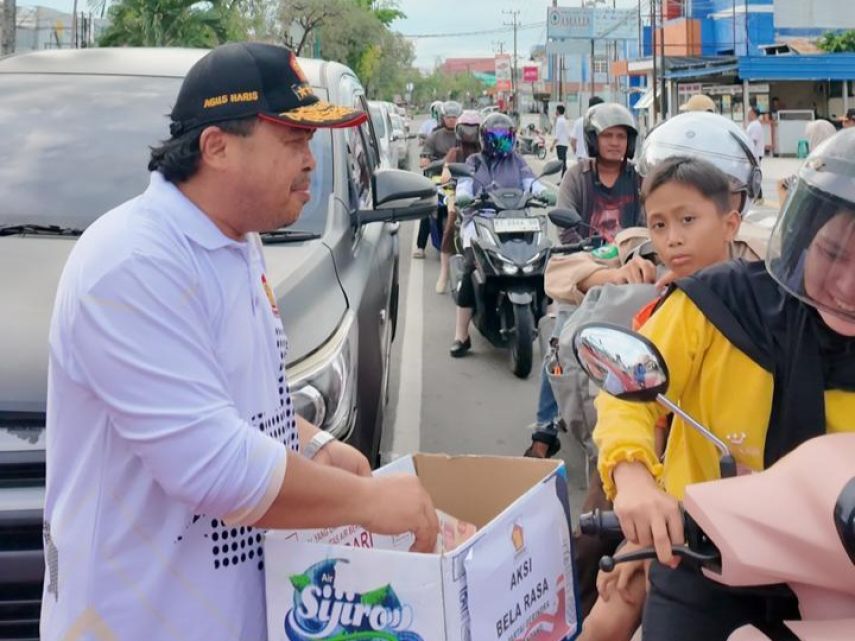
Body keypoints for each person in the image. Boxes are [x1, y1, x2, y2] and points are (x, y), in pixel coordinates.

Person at [40, 43, 440, 641]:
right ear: (217, 147)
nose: (310, 162)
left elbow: (233, 398)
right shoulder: (132, 262)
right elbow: (213, 465)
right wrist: (368, 503)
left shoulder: (234, 243)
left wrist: (315, 445)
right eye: (293, 141)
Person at [592, 130, 855, 641]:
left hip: (839, 582)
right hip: (704, 563)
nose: (845, 285)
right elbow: (627, 389)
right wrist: (634, 479)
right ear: (803, 236)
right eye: (831, 253)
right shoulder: (720, 302)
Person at [577, 156, 743, 641]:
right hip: (678, 506)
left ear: (731, 223)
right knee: (610, 605)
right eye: (660, 225)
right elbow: (632, 396)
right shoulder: (678, 305)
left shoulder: (773, 298)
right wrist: (638, 488)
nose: (673, 239)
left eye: (688, 220)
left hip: (764, 523)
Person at [524, 102, 644, 457]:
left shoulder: (639, 179)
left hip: (628, 271)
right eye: (608, 136)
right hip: (583, 267)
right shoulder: (577, 176)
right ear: (593, 140)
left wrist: (632, 255)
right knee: (561, 342)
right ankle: (544, 430)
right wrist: (597, 258)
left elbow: (649, 225)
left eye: (621, 136)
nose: (615, 143)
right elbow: (566, 228)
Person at [448, 112, 556, 357]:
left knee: (545, 266)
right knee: (470, 267)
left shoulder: (518, 161)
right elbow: (464, 184)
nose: (500, 142)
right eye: (495, 137)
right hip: (481, 219)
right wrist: (463, 197)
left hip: (517, 218)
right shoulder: (474, 161)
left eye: (505, 137)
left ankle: (554, 336)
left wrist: (542, 192)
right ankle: (461, 335)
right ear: (484, 138)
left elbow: (531, 182)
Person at [435, 109, 481, 294]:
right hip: (459, 195)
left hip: (484, 195)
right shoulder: (455, 153)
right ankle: (444, 272)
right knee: (451, 223)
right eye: (466, 128)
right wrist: (451, 177)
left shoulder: (486, 152)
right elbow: (445, 176)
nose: (469, 133)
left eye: (473, 128)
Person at [414, 100, 462, 258]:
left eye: (455, 117)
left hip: (461, 177)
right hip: (438, 177)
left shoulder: (464, 136)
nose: (452, 120)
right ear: (443, 118)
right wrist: (435, 161)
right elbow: (424, 160)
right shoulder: (434, 136)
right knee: (429, 205)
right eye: (449, 117)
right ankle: (420, 246)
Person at [571, 95, 604, 160]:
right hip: (596, 159)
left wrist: (577, 152)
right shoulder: (601, 123)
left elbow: (573, 141)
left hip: (581, 158)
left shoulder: (579, 121)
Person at [551, 104, 571, 178]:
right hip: (565, 144)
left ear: (558, 111)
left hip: (560, 144)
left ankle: (566, 177)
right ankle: (565, 178)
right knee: (563, 162)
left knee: (562, 163)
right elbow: (568, 133)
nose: (555, 112)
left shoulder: (559, 121)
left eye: (556, 110)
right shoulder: (565, 120)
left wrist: (552, 145)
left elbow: (557, 135)